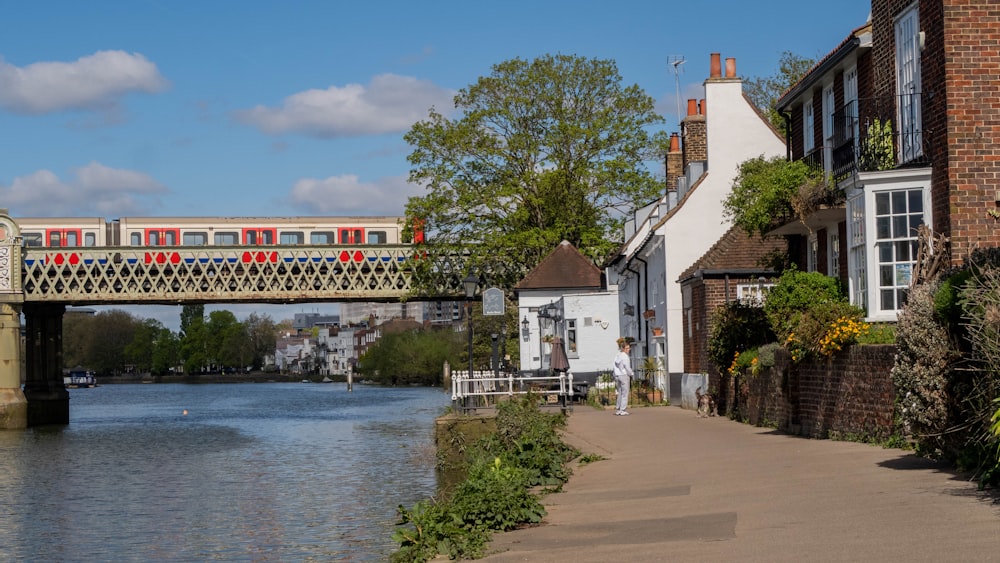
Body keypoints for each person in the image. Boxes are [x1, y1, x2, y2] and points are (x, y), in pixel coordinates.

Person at [612, 338, 634, 416]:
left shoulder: (618, 355)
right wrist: (631, 374)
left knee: (620, 392)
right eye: (627, 348)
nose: (629, 349)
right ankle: (623, 410)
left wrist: (614, 374)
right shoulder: (625, 356)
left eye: (629, 348)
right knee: (625, 393)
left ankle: (618, 409)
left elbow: (614, 366)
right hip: (624, 375)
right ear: (624, 349)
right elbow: (627, 367)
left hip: (617, 376)